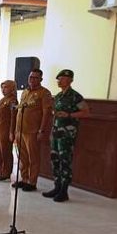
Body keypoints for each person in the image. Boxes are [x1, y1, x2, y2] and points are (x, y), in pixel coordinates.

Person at [43, 69, 89, 202]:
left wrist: (69, 115)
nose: (59, 81)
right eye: (58, 79)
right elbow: (55, 115)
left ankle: (64, 190)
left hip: (67, 135)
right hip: (56, 133)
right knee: (55, 160)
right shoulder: (58, 96)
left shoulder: (75, 96)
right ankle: (57, 186)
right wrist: (52, 132)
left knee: (65, 161)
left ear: (70, 80)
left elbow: (86, 112)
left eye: (62, 78)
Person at [13, 69, 53, 192]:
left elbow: (46, 113)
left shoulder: (44, 93)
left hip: (33, 131)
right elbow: (20, 110)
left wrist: (41, 130)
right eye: (31, 77)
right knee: (22, 157)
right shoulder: (25, 92)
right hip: (20, 130)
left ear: (41, 79)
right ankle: (24, 179)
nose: (32, 79)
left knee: (33, 157)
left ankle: (32, 181)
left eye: (35, 77)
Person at [0, 80, 18, 181]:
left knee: (6, 151)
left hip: (6, 130)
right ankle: (1, 171)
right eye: (2, 87)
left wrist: (12, 132)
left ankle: (7, 172)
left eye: (6, 87)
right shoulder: (2, 100)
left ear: (12, 88)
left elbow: (13, 117)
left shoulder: (13, 101)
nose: (3, 89)